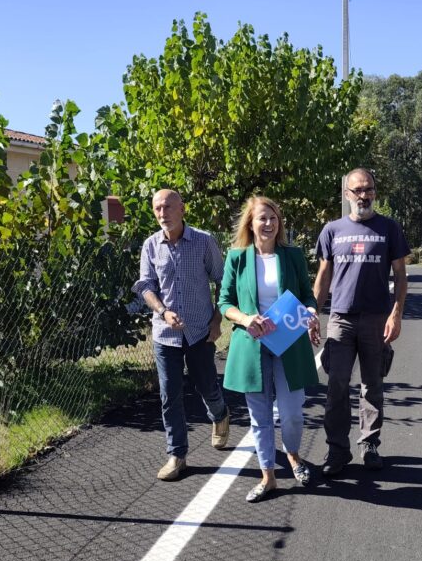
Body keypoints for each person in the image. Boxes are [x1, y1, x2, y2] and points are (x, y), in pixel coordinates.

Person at [219, 196, 321, 502]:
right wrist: (245, 318)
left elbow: (307, 295)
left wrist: (311, 312)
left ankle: (293, 455)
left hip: (289, 343)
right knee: (259, 417)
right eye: (262, 218)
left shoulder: (293, 255)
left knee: (292, 414)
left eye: (273, 217)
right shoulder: (237, 257)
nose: (268, 223)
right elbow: (224, 302)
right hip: (252, 345)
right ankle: (268, 476)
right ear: (250, 223)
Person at [313, 168, 410, 477]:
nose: (363, 195)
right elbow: (324, 275)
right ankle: (337, 450)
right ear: (347, 194)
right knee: (337, 386)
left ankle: (369, 444)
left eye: (368, 189)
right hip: (341, 319)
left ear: (375, 192)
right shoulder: (332, 230)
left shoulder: (389, 228)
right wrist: (313, 313)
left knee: (373, 385)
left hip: (377, 319)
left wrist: (396, 314)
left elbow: (400, 275)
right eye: (357, 190)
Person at [135, 188, 230, 481]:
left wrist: (217, 320)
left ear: (182, 209)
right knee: (170, 394)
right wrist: (162, 311)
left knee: (206, 386)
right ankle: (177, 455)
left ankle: (220, 415)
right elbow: (146, 286)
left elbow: (223, 281)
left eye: (167, 207)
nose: (162, 213)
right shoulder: (151, 245)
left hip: (200, 331)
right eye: (157, 208)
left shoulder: (203, 241)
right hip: (165, 334)